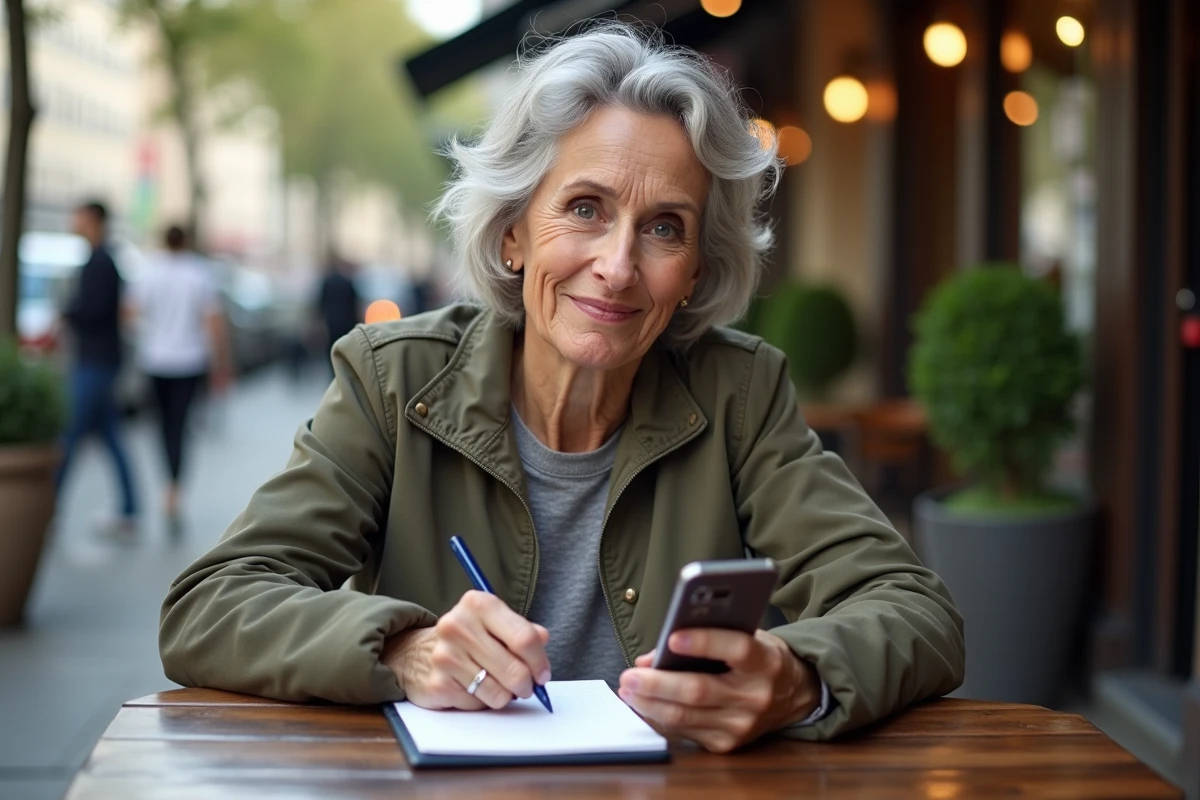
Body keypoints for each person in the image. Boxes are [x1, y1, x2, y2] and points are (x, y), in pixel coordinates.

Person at [160, 25, 964, 751]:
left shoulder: (739, 392)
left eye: (663, 228)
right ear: (513, 232)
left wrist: (797, 675)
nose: (617, 266)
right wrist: (403, 649)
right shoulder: (391, 379)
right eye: (585, 208)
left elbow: (918, 614)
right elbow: (210, 606)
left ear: (695, 272)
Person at [126, 225, 232, 529]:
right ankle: (174, 490)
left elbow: (130, 313)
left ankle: (167, 486)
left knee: (163, 427)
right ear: (185, 240)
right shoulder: (198, 273)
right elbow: (213, 322)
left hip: (156, 360)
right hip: (189, 361)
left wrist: (151, 332)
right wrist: (222, 362)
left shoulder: (150, 272)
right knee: (180, 427)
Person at [57, 200, 138, 534]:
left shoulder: (101, 262)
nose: (71, 220)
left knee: (69, 435)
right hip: (99, 360)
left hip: (95, 362)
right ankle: (130, 510)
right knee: (110, 436)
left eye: (76, 214)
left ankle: (46, 508)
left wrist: (69, 312)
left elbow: (98, 311)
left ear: (92, 219)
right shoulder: (101, 259)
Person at [314, 254, 360, 377]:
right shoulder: (348, 282)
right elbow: (354, 304)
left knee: (331, 352)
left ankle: (333, 377)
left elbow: (320, 305)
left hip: (331, 324)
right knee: (345, 351)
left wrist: (319, 324)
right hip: (346, 324)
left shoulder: (326, 283)